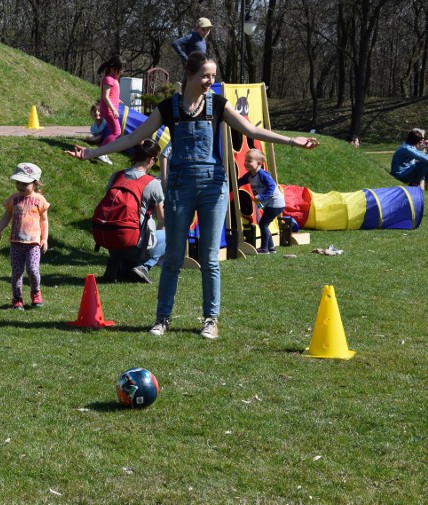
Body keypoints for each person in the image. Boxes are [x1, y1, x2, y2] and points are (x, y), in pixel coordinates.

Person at [67, 51, 319, 339]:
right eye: (205, 76)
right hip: (179, 189)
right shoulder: (169, 108)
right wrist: (92, 153)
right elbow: (132, 139)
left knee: (210, 259)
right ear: (190, 75)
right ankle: (162, 319)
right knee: (173, 257)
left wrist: (293, 141)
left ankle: (210, 319)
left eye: (213, 76)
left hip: (213, 187)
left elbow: (251, 129)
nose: (210, 81)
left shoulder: (218, 105)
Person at [101, 139, 166, 284]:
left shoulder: (117, 176)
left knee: (129, 246)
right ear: (151, 159)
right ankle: (143, 267)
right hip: (134, 244)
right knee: (168, 236)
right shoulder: (153, 183)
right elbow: (162, 219)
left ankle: (119, 264)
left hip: (110, 239)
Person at [0, 163, 50, 310]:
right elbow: (7, 216)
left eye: (25, 183)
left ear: (35, 183)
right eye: (18, 182)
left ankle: (35, 292)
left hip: (33, 244)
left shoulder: (39, 200)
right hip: (16, 243)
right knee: (17, 272)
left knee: (32, 269)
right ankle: (17, 299)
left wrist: (44, 239)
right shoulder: (13, 198)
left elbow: (44, 220)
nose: (20, 186)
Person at [237, 149, 285, 254]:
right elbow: (239, 182)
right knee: (264, 224)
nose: (245, 163)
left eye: (249, 161)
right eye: (245, 160)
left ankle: (264, 248)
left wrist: (262, 197)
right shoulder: (249, 175)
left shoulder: (262, 174)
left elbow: (272, 187)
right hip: (269, 203)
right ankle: (271, 247)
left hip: (276, 203)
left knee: (263, 224)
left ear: (259, 163)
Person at [98, 55, 126, 149]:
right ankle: (101, 152)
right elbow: (105, 97)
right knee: (116, 132)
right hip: (109, 110)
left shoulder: (114, 79)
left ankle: (102, 151)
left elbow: (111, 95)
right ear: (112, 69)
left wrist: (117, 99)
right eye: (120, 69)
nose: (122, 71)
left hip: (111, 109)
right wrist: (114, 110)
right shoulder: (108, 79)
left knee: (114, 131)